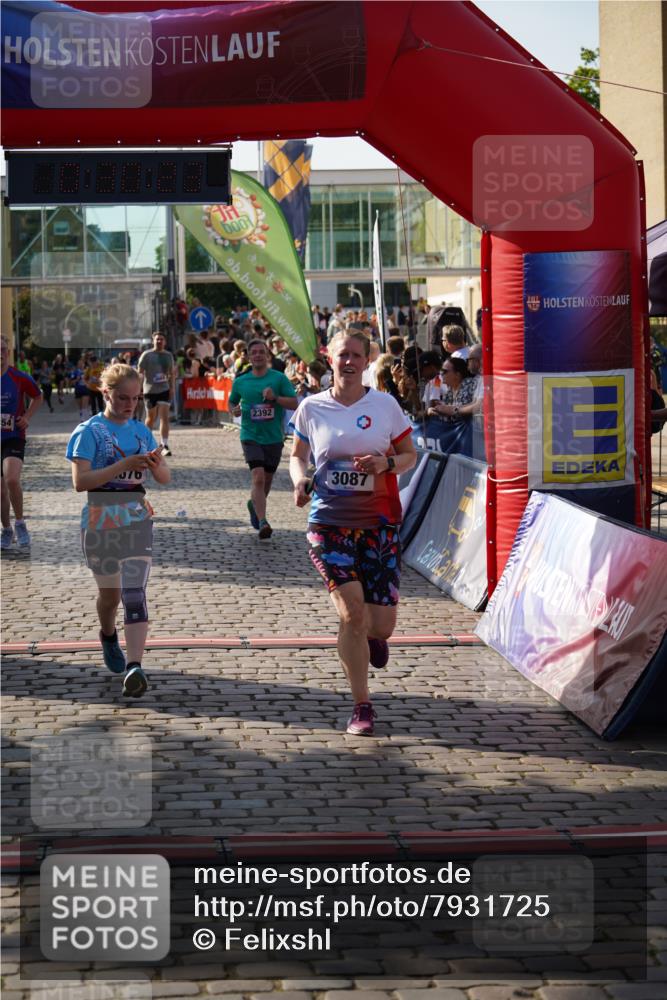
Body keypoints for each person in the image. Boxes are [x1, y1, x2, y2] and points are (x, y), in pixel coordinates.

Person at [289, 331, 416, 737]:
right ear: (329, 357)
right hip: (329, 525)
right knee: (351, 614)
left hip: (379, 526)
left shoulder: (384, 405)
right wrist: (298, 481)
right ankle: (362, 704)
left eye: (356, 356)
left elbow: (410, 454)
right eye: (342, 354)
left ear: (367, 361)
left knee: (381, 626)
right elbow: (298, 456)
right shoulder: (312, 407)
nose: (348, 362)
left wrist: (387, 464)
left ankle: (375, 638)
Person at [66, 363, 170, 697]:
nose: (129, 404)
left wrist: (157, 465)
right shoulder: (89, 431)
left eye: (135, 398)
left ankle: (134, 667)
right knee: (110, 598)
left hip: (137, 518)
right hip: (99, 520)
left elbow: (165, 478)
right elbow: (80, 482)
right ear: (105, 393)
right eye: (123, 397)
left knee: (135, 594)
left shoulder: (142, 431)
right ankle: (108, 634)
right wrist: (123, 465)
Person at [229, 338, 297, 539]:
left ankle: (254, 505)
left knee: (267, 479)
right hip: (250, 435)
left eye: (261, 352)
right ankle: (263, 520)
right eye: (254, 352)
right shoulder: (241, 381)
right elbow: (232, 401)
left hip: (274, 436)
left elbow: (294, 403)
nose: (258, 355)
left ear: (267, 355)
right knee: (258, 476)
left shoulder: (278, 379)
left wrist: (275, 398)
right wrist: (234, 410)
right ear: (249, 357)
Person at [1, 335, 43, 550]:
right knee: (0, 491)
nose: (0, 354)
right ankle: (6, 530)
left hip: (13, 436)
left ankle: (20, 523)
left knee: (11, 479)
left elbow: (38, 396)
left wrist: (26, 417)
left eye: (3, 350)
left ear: (8, 352)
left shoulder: (19, 377)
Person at [138, 332, 175, 456]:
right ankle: (146, 443)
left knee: (164, 417)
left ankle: (164, 444)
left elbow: (171, 373)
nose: (159, 341)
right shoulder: (147, 355)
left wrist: (172, 387)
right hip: (150, 390)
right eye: (157, 339)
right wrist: (139, 388)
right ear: (153, 341)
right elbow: (140, 372)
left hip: (164, 389)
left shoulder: (168, 356)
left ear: (165, 342)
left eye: (162, 339)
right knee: (150, 418)